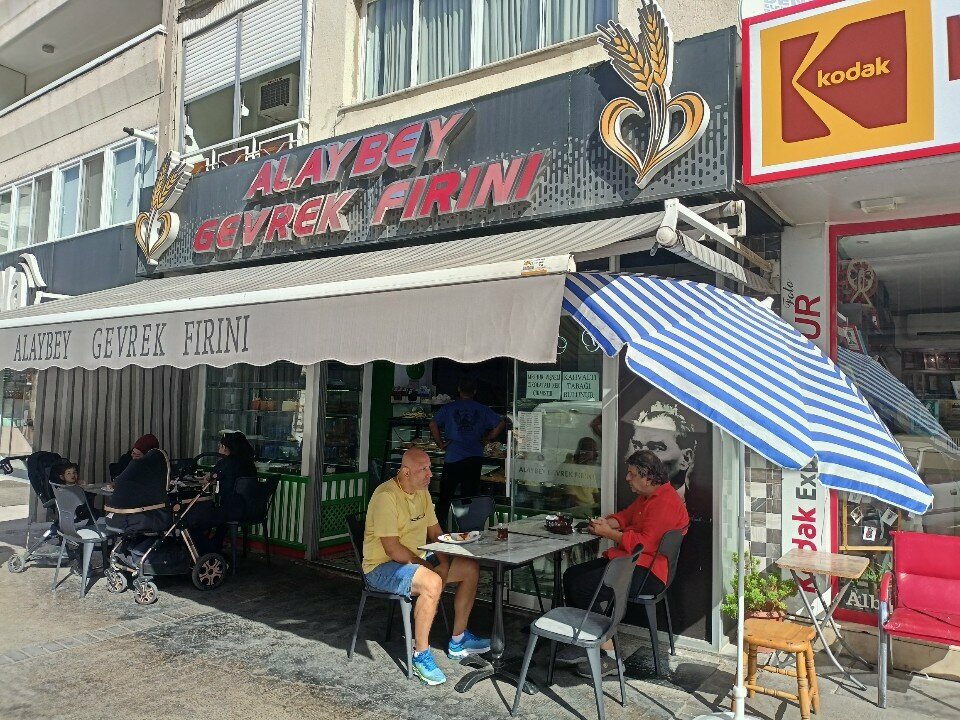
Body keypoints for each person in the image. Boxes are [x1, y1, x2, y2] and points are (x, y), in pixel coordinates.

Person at [363, 448, 490, 685]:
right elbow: (393, 549)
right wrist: (430, 569)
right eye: (424, 470)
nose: (430, 474)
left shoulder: (422, 493)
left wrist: (442, 562)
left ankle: (458, 640)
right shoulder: (385, 497)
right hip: (381, 568)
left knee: (469, 568)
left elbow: (436, 533)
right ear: (406, 471)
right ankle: (420, 655)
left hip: (416, 561)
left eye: (430, 468)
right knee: (431, 582)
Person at [558, 450, 689, 677]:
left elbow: (643, 544)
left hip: (649, 574)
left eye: (631, 474)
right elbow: (626, 517)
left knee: (582, 586)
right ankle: (585, 641)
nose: (627, 478)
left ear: (647, 477)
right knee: (571, 575)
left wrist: (609, 533)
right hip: (632, 563)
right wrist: (606, 522)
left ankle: (609, 656)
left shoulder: (665, 503)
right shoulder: (649, 497)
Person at [430, 377, 506, 525]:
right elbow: (501, 422)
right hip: (474, 458)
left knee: (445, 497)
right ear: (475, 392)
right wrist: (488, 438)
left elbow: (433, 424)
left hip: (453, 457)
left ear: (459, 389)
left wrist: (440, 443)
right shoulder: (482, 409)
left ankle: (438, 531)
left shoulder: (449, 408)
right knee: (469, 497)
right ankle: (468, 530)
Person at [630, 402, 696, 500]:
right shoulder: (636, 500)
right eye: (637, 446)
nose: (641, 458)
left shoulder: (705, 505)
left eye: (656, 448)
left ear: (686, 458)